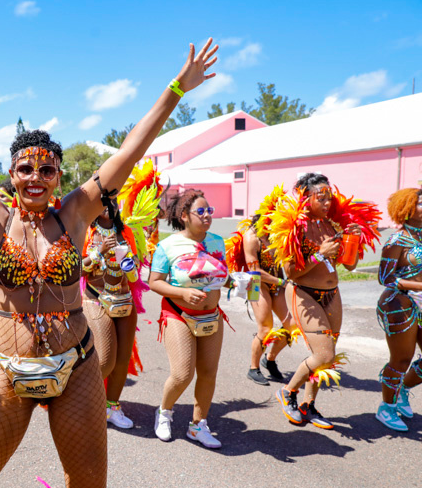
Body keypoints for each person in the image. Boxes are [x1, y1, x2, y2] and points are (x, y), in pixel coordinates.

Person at [0, 36, 218, 488]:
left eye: (47, 168)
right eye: (25, 168)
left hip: (76, 367)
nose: (36, 176)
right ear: (10, 174)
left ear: (59, 173)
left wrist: (177, 88)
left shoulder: (76, 212)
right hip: (6, 367)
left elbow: (132, 150)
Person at [271, 173, 379, 429]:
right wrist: (319, 255)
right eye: (322, 197)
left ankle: (309, 404)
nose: (328, 202)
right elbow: (291, 273)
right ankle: (288, 392)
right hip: (303, 293)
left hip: (332, 294)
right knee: (324, 353)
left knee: (325, 358)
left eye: (330, 197)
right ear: (306, 197)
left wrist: (353, 239)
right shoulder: (293, 227)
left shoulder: (332, 225)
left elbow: (350, 266)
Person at [149, 189, 229, 448]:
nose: (207, 216)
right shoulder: (167, 246)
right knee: (183, 374)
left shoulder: (217, 242)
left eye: (210, 211)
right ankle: (164, 412)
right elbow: (154, 282)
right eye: (201, 212)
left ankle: (198, 426)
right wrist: (182, 292)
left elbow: (221, 277)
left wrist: (234, 281)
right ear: (184, 216)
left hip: (211, 316)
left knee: (208, 373)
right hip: (178, 314)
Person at [226, 186, 297, 385]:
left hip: (276, 280)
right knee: (265, 328)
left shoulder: (278, 232)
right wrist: (282, 282)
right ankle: (253, 368)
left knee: (293, 327)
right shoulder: (252, 237)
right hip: (256, 283)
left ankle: (270, 359)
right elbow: (255, 272)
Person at [82, 204, 142, 429]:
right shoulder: (84, 230)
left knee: (122, 360)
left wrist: (128, 264)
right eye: (103, 200)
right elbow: (77, 269)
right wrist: (99, 253)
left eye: (113, 200)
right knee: (105, 359)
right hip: (95, 298)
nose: (109, 205)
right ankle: (87, 405)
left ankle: (112, 407)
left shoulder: (126, 232)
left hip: (124, 300)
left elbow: (135, 276)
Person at [375, 188, 422, 431]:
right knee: (401, 359)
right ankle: (387, 408)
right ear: (407, 209)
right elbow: (385, 278)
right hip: (400, 303)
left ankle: (401, 390)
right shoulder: (397, 240)